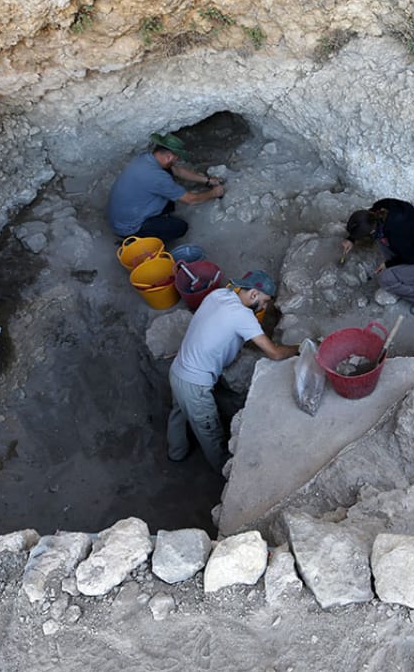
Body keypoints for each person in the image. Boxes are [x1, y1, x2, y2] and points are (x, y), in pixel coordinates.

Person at [167, 270, 298, 471]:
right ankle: (225, 473)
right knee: (211, 433)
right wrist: (300, 347)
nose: (263, 307)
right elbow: (275, 353)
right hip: (196, 385)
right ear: (254, 294)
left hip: (178, 370)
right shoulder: (243, 316)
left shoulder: (218, 295)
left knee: (179, 412)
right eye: (264, 302)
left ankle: (176, 453)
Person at [105, 132, 225, 244]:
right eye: (176, 159)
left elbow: (176, 170)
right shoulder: (157, 176)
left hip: (121, 215)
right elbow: (191, 199)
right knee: (180, 227)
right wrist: (214, 193)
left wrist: (207, 180)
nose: (176, 162)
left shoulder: (146, 158)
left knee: (169, 192)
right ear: (168, 157)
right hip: (129, 228)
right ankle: (137, 241)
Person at [340, 198, 414, 316]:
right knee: (381, 240)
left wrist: (388, 264)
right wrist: (351, 238)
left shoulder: (397, 233)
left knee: (385, 279)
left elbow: (411, 258)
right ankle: (405, 275)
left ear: (372, 230)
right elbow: (366, 222)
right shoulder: (381, 207)